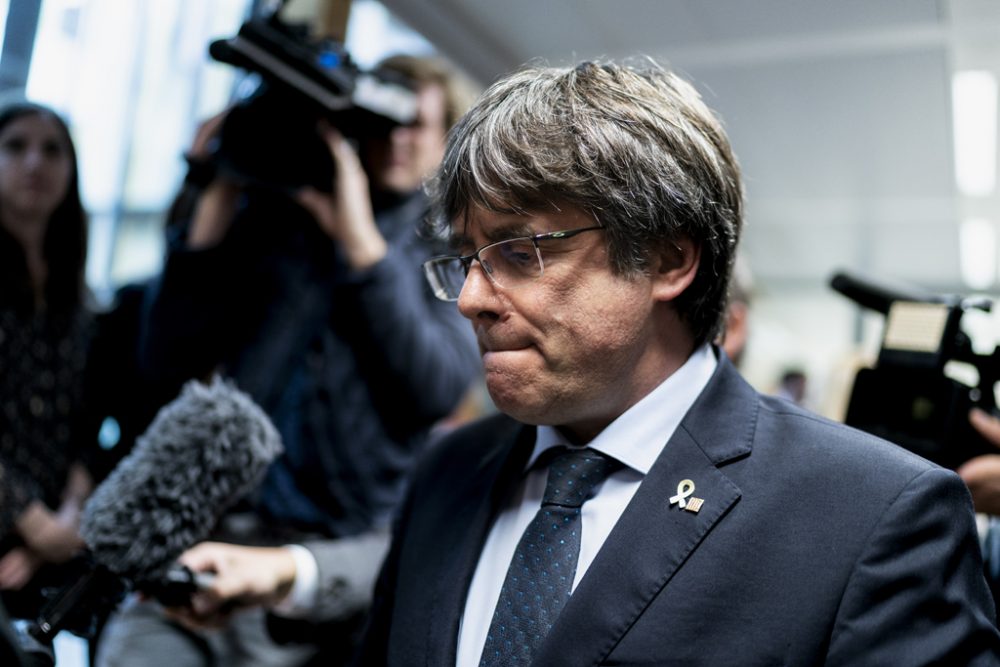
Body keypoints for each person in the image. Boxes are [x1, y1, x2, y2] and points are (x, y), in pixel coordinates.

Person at [355, 59, 1000, 666]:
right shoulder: (444, 475)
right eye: (468, 258)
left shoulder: (871, 515)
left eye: (521, 252)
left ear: (666, 260)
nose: (471, 300)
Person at [95, 55, 481, 666]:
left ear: (446, 141)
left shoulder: (451, 253)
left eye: (416, 124)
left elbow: (436, 386)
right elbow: (166, 352)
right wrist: (221, 185)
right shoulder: (283, 223)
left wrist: (359, 244)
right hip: (213, 532)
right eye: (383, 121)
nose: (396, 139)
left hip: (323, 570)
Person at [0, 101, 101, 620]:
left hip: (58, 541)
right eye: (15, 146)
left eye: (52, 150)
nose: (34, 163)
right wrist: (32, 525)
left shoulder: (82, 302)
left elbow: (89, 424)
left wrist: (64, 523)